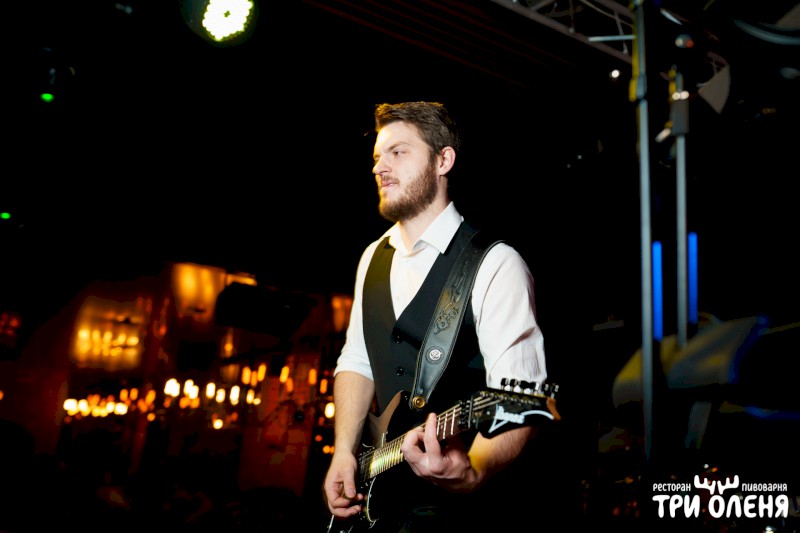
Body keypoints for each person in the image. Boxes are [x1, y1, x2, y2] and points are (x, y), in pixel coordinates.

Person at [323, 101, 556, 532]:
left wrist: (474, 471)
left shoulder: (495, 264)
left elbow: (522, 400)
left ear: (443, 160)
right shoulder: (372, 256)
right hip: (379, 503)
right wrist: (343, 452)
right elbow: (357, 361)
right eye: (377, 156)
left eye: (398, 152)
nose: (379, 167)